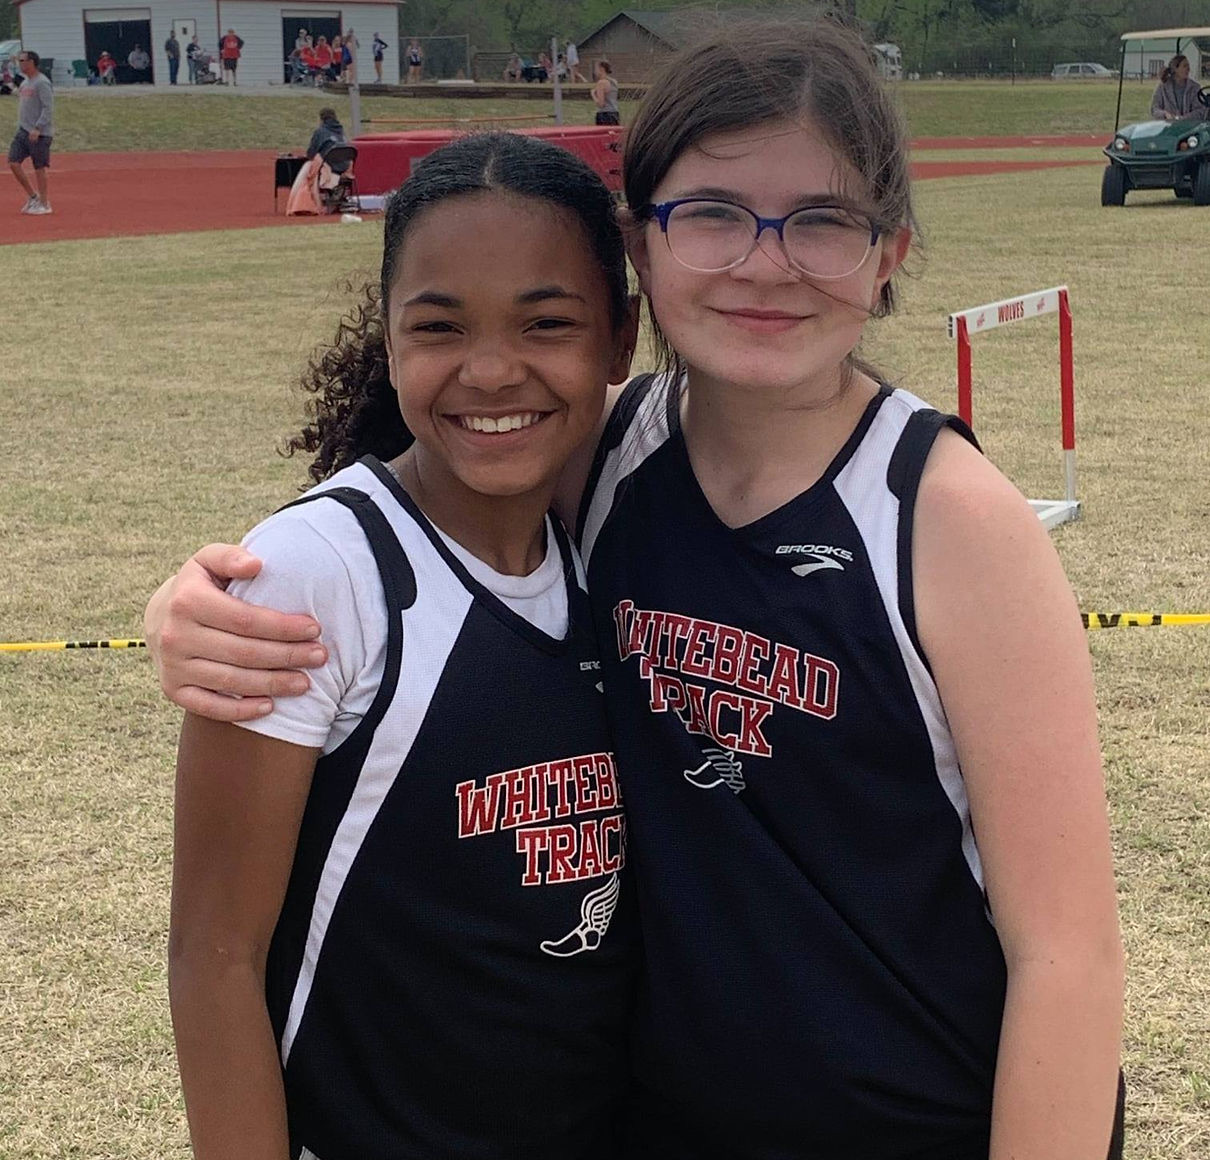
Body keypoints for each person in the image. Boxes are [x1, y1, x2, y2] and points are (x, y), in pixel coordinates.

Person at [147, 18, 1127, 1160]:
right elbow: (422, 484)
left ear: (889, 250)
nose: (765, 261)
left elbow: (1068, 953)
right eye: (711, 214)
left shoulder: (951, 517)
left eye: (821, 220)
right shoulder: (606, 457)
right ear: (640, 247)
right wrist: (200, 600)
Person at [169, 131, 638, 1159]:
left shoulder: (608, 545)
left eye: (546, 323)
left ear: (618, 339)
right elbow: (216, 957)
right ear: (387, 343)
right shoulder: (320, 572)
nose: (490, 369)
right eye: (439, 327)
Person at [8, 49, 53, 215]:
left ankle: (44, 202)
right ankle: (33, 197)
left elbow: (48, 108)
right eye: (19, 60)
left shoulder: (42, 83)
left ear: (32, 62)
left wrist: (38, 127)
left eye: (22, 60)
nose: (20, 63)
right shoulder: (25, 83)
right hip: (23, 131)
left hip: (39, 133)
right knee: (13, 162)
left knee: (39, 167)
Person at [1150, 53, 1206, 121]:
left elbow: (1200, 110)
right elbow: (1154, 109)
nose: (1188, 69)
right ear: (1175, 69)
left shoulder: (1195, 87)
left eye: (1188, 66)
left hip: (1190, 127)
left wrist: (1182, 118)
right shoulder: (1163, 87)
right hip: (1168, 127)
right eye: (1185, 66)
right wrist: (1165, 114)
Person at [591, 59, 619, 125]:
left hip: (604, 115)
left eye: (596, 69)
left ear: (601, 69)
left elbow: (601, 104)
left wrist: (593, 95)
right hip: (614, 113)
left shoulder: (601, 83)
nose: (595, 72)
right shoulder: (614, 82)